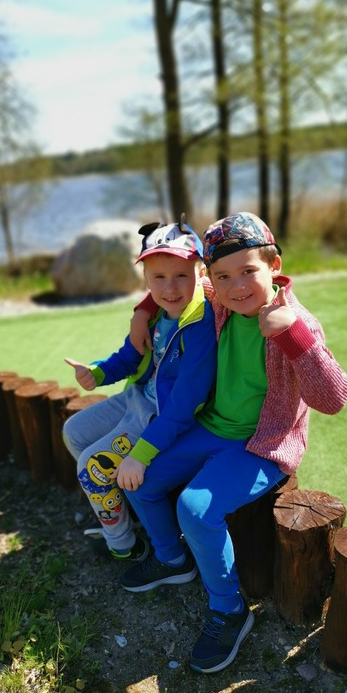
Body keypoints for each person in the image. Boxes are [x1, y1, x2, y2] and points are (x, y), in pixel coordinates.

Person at [118, 211, 347, 674]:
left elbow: (333, 398)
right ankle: (172, 559)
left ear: (274, 265)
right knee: (139, 480)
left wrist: (292, 334)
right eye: (223, 275)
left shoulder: (295, 322)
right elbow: (176, 283)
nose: (237, 285)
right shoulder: (219, 300)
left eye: (248, 271)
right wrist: (143, 310)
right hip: (210, 428)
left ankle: (229, 609)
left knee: (196, 510)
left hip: (261, 444)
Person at [62, 217, 217, 563]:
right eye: (158, 277)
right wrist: (98, 373)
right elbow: (130, 355)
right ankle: (124, 513)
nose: (170, 287)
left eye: (181, 275)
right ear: (146, 280)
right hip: (137, 397)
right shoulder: (156, 312)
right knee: (74, 432)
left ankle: (123, 544)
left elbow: (185, 403)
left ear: (201, 272)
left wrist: (143, 453)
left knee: (92, 467)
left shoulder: (201, 324)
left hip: (158, 416)